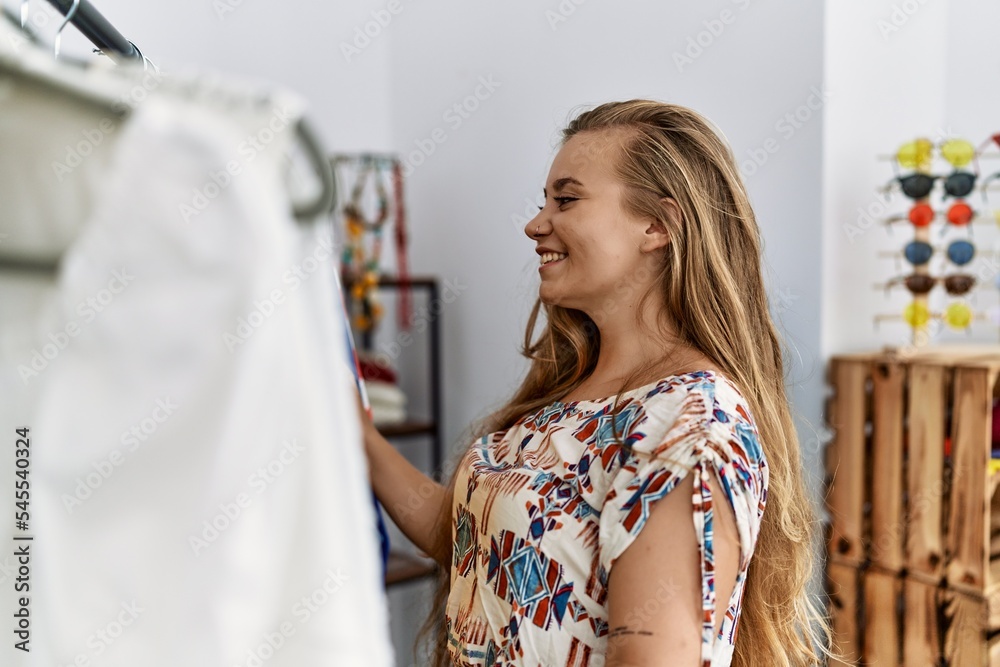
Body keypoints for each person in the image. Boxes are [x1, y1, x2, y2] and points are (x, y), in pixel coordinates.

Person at [359, 100, 831, 666]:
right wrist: (356, 432)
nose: (536, 224)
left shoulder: (689, 423)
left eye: (567, 199)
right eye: (544, 202)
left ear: (658, 225)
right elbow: (474, 540)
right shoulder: (570, 395)